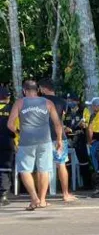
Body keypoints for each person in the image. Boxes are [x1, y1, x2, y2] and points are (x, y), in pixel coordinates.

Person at [7, 80, 63, 211]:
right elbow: (57, 123)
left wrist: (18, 132)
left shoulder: (20, 102)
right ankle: (42, 200)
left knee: (25, 170)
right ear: (37, 90)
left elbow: (10, 124)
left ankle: (34, 198)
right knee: (44, 169)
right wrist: (59, 140)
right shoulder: (48, 103)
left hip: (26, 141)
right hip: (45, 140)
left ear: (24, 91)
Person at [38, 79, 76, 203]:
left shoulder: (40, 102)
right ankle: (65, 193)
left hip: (43, 137)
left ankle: (41, 197)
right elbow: (63, 119)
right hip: (59, 136)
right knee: (61, 164)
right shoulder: (63, 102)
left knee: (43, 167)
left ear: (44, 89)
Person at [0, 87, 15, 205]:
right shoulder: (12, 109)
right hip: (7, 141)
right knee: (5, 169)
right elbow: (17, 127)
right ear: (8, 97)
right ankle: (3, 195)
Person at [86, 97, 99, 170]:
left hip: (97, 142)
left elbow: (90, 129)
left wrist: (90, 142)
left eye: (92, 105)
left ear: (97, 106)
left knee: (98, 165)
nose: (91, 107)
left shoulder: (96, 115)